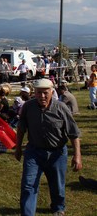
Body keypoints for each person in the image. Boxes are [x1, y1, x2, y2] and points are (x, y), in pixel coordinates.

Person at [15, 78, 82, 216]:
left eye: (45, 93)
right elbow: (21, 128)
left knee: (57, 184)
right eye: (39, 93)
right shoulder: (28, 107)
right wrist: (18, 147)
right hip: (34, 152)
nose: (42, 96)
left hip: (57, 153)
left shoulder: (61, 108)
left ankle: (58, 207)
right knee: (28, 184)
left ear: (52, 92)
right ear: (34, 93)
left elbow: (74, 134)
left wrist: (77, 156)